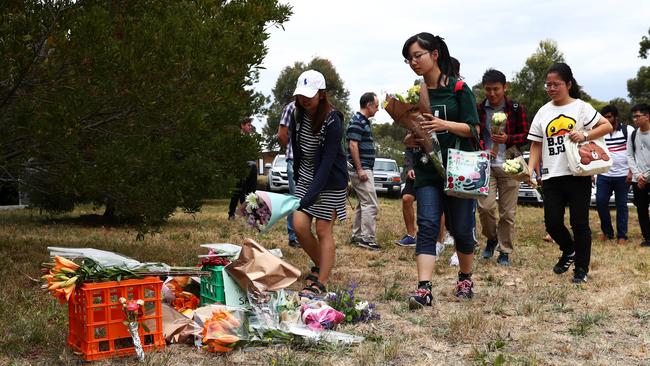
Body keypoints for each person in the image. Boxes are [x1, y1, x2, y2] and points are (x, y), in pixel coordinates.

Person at [401, 32, 481, 308]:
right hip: (427, 171)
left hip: (458, 170)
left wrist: (444, 125)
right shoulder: (415, 92)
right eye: (409, 59)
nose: (413, 62)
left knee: (460, 229)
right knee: (428, 226)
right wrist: (411, 138)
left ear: (434, 54)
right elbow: (414, 129)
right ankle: (424, 290)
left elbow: (474, 128)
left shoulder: (459, 88)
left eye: (417, 55)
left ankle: (465, 278)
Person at [526, 63, 612, 284]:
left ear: (569, 84)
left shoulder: (581, 107)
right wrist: (529, 168)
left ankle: (581, 270)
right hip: (551, 176)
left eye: (557, 84)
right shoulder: (543, 111)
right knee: (552, 222)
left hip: (578, 174)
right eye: (548, 85)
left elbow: (606, 126)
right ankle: (569, 250)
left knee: (579, 223)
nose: (552, 88)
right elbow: (536, 144)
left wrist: (585, 134)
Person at [290, 69, 348, 295]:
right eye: (301, 95)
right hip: (306, 177)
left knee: (323, 230)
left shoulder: (333, 119)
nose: (304, 99)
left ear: (321, 94)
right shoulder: (297, 114)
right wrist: (298, 177)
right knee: (299, 226)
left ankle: (321, 281)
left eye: (310, 95)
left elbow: (327, 161)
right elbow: (296, 147)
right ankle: (323, 263)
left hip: (330, 181)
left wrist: (312, 193)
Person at [476, 69, 529, 266]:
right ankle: (491, 239)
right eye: (488, 89)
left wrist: (509, 139)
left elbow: (526, 135)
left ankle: (504, 249)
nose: (492, 93)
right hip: (486, 163)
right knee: (485, 207)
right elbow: (474, 134)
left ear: (504, 87)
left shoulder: (515, 108)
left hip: (511, 161)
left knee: (508, 212)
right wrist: (483, 148)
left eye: (496, 89)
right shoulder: (479, 109)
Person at [595, 105, 634, 245]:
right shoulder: (599, 132)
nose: (606, 119)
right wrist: (592, 172)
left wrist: (631, 171)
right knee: (600, 202)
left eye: (609, 117)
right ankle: (607, 232)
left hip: (623, 175)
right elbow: (594, 151)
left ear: (616, 117)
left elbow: (633, 152)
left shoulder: (627, 130)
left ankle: (622, 236)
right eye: (604, 117)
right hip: (604, 174)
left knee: (621, 205)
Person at [347, 92, 381, 251]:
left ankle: (357, 235)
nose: (378, 109)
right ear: (368, 105)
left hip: (365, 167)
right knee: (371, 204)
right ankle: (367, 239)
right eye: (376, 105)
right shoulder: (357, 121)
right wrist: (360, 169)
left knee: (363, 203)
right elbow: (353, 145)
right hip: (361, 169)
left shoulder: (362, 121)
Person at [278, 102, 300, 248]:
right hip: (294, 159)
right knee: (296, 199)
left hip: (311, 161)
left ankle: (303, 234)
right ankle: (293, 237)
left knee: (308, 200)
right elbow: (282, 134)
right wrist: (292, 149)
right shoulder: (291, 107)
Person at [628, 103, 650, 247]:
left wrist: (646, 176)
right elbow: (630, 156)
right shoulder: (633, 134)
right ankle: (647, 238)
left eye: (638, 116)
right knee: (641, 209)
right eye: (633, 116)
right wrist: (637, 174)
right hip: (638, 179)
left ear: (647, 116)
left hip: (646, 177)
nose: (635, 119)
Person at [228, 118, 258, 219]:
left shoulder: (252, 138)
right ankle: (231, 213)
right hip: (242, 168)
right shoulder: (237, 139)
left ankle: (251, 214)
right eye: (248, 125)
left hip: (253, 168)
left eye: (251, 125)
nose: (250, 127)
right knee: (238, 191)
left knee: (252, 193)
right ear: (242, 125)